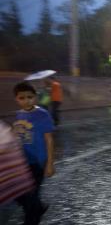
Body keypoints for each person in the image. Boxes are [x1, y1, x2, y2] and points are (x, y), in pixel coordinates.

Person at [12, 81, 55, 225]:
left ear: (35, 97)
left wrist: (49, 164)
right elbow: (17, 135)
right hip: (22, 162)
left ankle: (33, 215)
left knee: (31, 198)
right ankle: (38, 207)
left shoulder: (42, 114)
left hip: (37, 162)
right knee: (17, 193)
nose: (26, 101)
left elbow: (49, 140)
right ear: (16, 99)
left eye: (29, 97)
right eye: (22, 98)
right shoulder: (18, 115)